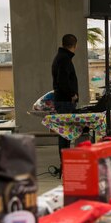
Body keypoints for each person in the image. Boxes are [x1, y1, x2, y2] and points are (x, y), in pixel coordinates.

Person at [51, 33, 79, 163]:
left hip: (62, 100)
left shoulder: (60, 57)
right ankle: (65, 164)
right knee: (65, 133)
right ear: (74, 45)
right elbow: (63, 81)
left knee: (65, 133)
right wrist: (72, 95)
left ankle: (65, 163)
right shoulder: (64, 59)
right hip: (65, 101)